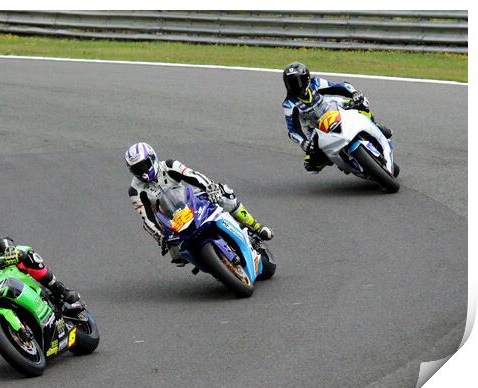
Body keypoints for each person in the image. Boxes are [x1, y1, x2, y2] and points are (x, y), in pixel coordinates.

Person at [125, 142, 273, 264]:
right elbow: (147, 218)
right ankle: (210, 263)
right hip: (172, 221)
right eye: (136, 169)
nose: (142, 172)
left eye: (144, 165)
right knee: (177, 257)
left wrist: (210, 187)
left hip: (189, 202)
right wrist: (160, 237)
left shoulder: (169, 165)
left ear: (152, 158)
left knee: (224, 194)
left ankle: (255, 226)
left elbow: (193, 176)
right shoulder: (135, 190)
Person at [282, 61, 393, 173]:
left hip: (336, 110)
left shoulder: (315, 83)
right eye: (291, 83)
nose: (295, 86)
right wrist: (303, 142)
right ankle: (343, 160)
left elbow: (339, 86)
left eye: (297, 82)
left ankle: (374, 126)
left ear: (306, 79)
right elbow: (293, 130)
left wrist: (354, 93)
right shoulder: (289, 104)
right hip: (317, 130)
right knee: (311, 165)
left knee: (362, 103)